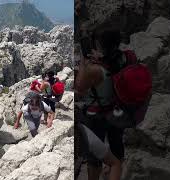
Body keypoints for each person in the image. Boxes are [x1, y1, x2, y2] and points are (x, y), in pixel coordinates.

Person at [76, 29, 125, 180]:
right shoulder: (121, 58)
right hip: (117, 112)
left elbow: (79, 87)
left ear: (101, 46)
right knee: (116, 151)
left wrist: (84, 64)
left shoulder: (96, 69)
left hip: (97, 116)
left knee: (94, 157)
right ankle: (114, 171)